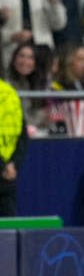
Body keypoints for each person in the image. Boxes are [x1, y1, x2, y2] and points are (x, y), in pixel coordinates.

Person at [0, 78, 28, 216]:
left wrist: (5, 166)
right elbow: (23, 137)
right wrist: (12, 165)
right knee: (8, 234)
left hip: (5, 175)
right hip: (7, 174)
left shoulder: (9, 94)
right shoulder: (11, 93)